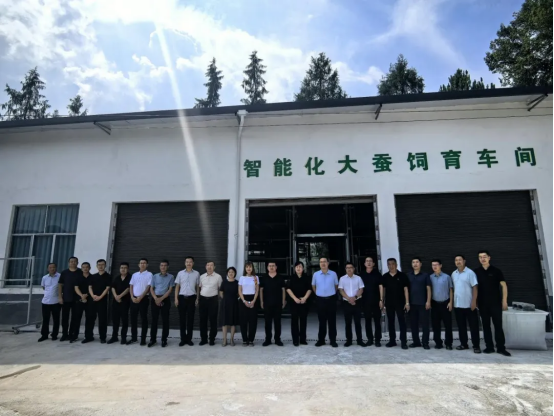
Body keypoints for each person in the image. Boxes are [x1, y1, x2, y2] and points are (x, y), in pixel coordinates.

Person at [475, 251, 511, 357]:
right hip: (482, 303)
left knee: (498, 326)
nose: (483, 259)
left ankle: (501, 348)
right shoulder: (476, 272)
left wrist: (504, 301)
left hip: (495, 303)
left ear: (489, 258)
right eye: (480, 257)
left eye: (484, 257)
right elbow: (474, 288)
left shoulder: (496, 271)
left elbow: (504, 286)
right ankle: (489, 347)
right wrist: (475, 301)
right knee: (486, 326)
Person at [452, 255, 481, 354]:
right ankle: (464, 344)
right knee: (461, 326)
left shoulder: (470, 273)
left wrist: (474, 302)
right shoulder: (454, 274)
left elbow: (475, 287)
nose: (458, 262)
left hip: (469, 305)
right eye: (456, 260)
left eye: (460, 260)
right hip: (458, 305)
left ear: (464, 261)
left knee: (474, 327)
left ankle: (476, 346)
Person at [382, 258, 410, 350]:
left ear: (396, 265)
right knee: (391, 322)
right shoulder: (385, 276)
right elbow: (383, 290)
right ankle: (392, 341)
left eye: (393, 264)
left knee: (402, 322)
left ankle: (403, 342)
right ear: (387, 265)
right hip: (389, 303)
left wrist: (407, 302)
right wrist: (382, 302)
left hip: (400, 303)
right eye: (389, 264)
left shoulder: (402, 276)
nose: (391, 266)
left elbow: (406, 289)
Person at [312, 257, 339, 348]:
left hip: (331, 300)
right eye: (321, 262)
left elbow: (336, 286)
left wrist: (330, 293)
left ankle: (333, 340)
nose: (323, 263)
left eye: (324, 262)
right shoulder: (315, 274)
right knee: (322, 321)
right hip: (320, 300)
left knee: (332, 321)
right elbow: (313, 286)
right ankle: (321, 340)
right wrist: (319, 294)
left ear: (328, 263)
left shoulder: (333, 274)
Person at [338, 262, 366, 348]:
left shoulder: (358, 278)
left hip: (357, 302)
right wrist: (349, 299)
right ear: (345, 269)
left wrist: (354, 298)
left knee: (358, 322)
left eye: (350, 267)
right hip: (347, 303)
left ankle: (359, 340)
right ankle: (349, 340)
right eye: (347, 268)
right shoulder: (342, 279)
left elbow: (361, 289)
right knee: (348, 323)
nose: (349, 269)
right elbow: (341, 290)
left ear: (354, 269)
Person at [175, 256, 200, 347]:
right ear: (185, 263)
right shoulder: (180, 273)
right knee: (182, 319)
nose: (188, 263)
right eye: (187, 262)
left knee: (190, 319)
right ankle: (183, 339)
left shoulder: (196, 273)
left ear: (193, 263)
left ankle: (189, 339)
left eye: (190, 262)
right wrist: (176, 298)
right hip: (182, 298)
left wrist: (197, 298)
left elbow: (198, 287)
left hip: (192, 298)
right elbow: (177, 286)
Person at [407, 258, 432, 350]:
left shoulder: (425, 275)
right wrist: (407, 302)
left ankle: (425, 342)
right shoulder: (408, 275)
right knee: (413, 324)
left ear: (420, 264)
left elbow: (428, 289)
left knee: (425, 324)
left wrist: (428, 301)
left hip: (423, 304)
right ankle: (416, 342)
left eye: (417, 262)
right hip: (412, 304)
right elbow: (406, 290)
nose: (415, 264)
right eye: (413, 262)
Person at [149, 260, 175, 348]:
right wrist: (156, 298)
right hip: (155, 299)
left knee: (165, 320)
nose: (163, 267)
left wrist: (161, 298)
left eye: (165, 265)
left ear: (168, 267)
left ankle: (164, 339)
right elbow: (151, 288)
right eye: (161, 265)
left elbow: (170, 290)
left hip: (165, 299)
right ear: (159, 267)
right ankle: (153, 339)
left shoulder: (171, 277)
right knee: (154, 320)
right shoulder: (155, 276)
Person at [85, 259, 112, 344]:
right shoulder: (93, 276)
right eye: (99, 265)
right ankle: (88, 337)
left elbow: (107, 288)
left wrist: (100, 297)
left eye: (102, 265)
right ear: (97, 266)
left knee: (102, 320)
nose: (101, 266)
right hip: (92, 300)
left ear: (105, 266)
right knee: (90, 319)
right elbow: (90, 287)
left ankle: (103, 337)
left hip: (102, 301)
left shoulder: (108, 276)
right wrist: (93, 295)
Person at [430, 259, 454, 351]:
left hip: (445, 303)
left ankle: (448, 343)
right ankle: (438, 343)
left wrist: (451, 302)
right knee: (436, 325)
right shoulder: (430, 277)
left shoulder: (447, 277)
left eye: (436, 265)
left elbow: (451, 290)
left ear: (440, 265)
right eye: (433, 265)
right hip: (435, 304)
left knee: (448, 324)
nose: (434, 267)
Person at [286, 261, 312, 347]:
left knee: (303, 321)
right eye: (297, 267)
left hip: (304, 302)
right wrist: (295, 298)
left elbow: (309, 289)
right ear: (294, 268)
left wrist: (304, 298)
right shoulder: (291, 278)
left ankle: (303, 339)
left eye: (300, 267)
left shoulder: (307, 277)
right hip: (294, 302)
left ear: (303, 268)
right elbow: (288, 289)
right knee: (294, 321)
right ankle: (295, 340)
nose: (298, 268)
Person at [360, 256, 384, 347]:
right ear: (364, 264)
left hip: (376, 301)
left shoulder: (377, 274)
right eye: (367, 261)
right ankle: (370, 339)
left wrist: (381, 300)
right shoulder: (361, 275)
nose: (369, 262)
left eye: (370, 261)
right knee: (367, 321)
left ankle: (377, 339)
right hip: (365, 301)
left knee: (377, 321)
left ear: (373, 263)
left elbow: (381, 287)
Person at [260, 262, 286, 347]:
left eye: (273, 266)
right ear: (267, 267)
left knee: (277, 322)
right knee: (267, 322)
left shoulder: (280, 277)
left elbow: (283, 290)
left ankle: (277, 339)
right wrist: (261, 301)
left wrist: (283, 301)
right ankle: (268, 339)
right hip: (267, 303)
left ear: (276, 267)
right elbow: (261, 290)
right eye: (270, 266)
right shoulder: (264, 277)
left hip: (278, 303)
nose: (271, 267)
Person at [128, 258, 153, 346]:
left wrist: (140, 297)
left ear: (147, 265)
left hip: (144, 299)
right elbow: (131, 286)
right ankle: (134, 338)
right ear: (138, 265)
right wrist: (132, 297)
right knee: (133, 319)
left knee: (144, 319)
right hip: (133, 299)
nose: (142, 264)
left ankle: (143, 339)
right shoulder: (134, 274)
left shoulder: (150, 274)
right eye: (141, 263)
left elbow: (148, 287)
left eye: (144, 263)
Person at [58, 257, 82, 342]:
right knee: (65, 318)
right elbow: (60, 285)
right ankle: (64, 334)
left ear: (77, 263)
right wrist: (60, 297)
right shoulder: (64, 272)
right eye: (71, 261)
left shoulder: (81, 272)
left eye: (75, 261)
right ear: (68, 263)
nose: (73, 263)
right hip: (66, 298)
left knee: (75, 318)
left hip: (77, 299)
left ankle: (73, 334)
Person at [199, 261, 223, 346]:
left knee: (213, 320)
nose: (209, 267)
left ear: (214, 267)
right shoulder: (202, 276)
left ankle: (212, 339)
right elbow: (199, 288)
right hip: (203, 300)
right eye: (208, 265)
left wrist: (220, 299)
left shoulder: (218, 277)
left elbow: (220, 289)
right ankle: (203, 339)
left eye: (211, 265)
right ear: (206, 266)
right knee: (203, 320)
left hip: (213, 300)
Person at [108, 262, 131, 345]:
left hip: (125, 302)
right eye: (121, 268)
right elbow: (113, 287)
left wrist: (120, 296)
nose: (123, 269)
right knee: (115, 320)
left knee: (124, 321)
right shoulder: (117, 277)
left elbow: (129, 288)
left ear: (128, 269)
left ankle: (123, 338)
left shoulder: (130, 278)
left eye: (125, 268)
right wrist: (116, 296)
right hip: (116, 302)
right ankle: (114, 337)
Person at [38, 263, 61, 342]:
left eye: (53, 267)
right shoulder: (44, 277)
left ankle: (54, 335)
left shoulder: (60, 276)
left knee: (56, 319)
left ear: (56, 268)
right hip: (45, 301)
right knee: (45, 319)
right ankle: (44, 335)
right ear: (48, 269)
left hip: (56, 302)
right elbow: (44, 287)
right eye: (50, 267)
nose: (52, 269)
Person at [238, 262, 260, 347]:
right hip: (243, 299)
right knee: (243, 321)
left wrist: (254, 301)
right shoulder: (242, 278)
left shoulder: (255, 278)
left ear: (252, 268)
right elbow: (240, 290)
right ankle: (244, 340)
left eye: (250, 267)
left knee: (253, 321)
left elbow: (257, 290)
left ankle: (251, 340)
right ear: (245, 268)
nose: (248, 268)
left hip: (253, 298)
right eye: (247, 267)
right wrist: (244, 301)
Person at [71, 261, 92, 343]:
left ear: (89, 268)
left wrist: (86, 295)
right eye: (83, 267)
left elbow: (93, 288)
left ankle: (88, 336)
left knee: (89, 319)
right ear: (81, 268)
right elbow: (76, 288)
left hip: (90, 301)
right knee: (76, 318)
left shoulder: (93, 277)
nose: (85, 268)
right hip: (79, 300)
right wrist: (82, 296)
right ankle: (74, 336)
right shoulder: (78, 277)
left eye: (87, 267)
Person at [220, 267, 240, 347]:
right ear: (227, 273)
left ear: (235, 273)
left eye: (232, 272)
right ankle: (224, 340)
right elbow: (221, 292)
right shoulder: (224, 282)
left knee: (233, 322)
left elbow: (239, 293)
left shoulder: (237, 283)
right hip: (225, 304)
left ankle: (232, 339)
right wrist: (225, 299)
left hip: (234, 303)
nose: (231, 273)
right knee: (224, 322)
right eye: (229, 272)